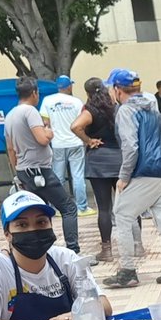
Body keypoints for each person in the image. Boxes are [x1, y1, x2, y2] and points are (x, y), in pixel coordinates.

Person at [0, 191, 112, 320]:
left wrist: (70, 316)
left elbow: (104, 305)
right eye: (22, 225)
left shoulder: (65, 259)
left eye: (41, 222)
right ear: (7, 234)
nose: (32, 230)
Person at [102, 69, 161, 288]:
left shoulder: (126, 111)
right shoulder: (151, 101)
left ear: (118, 90)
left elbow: (131, 146)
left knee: (122, 214)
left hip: (144, 172)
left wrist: (123, 177)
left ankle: (127, 271)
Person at [4, 77, 82, 255]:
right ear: (34, 93)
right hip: (39, 171)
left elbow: (10, 148)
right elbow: (42, 138)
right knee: (68, 208)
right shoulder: (30, 111)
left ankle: (43, 250)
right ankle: (73, 251)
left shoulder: (10, 116)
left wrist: (17, 170)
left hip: (24, 170)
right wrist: (49, 130)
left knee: (39, 211)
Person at [71, 77, 124, 263]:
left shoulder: (90, 110)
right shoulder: (116, 108)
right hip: (119, 159)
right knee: (127, 205)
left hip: (98, 162)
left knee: (104, 208)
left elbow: (75, 126)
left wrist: (88, 140)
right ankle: (136, 245)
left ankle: (107, 250)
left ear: (87, 93)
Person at [41, 75, 95, 218]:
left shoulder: (48, 101)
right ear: (69, 86)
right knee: (78, 176)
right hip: (76, 142)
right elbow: (82, 122)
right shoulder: (76, 102)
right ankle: (82, 207)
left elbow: (45, 122)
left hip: (58, 144)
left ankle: (58, 208)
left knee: (58, 177)